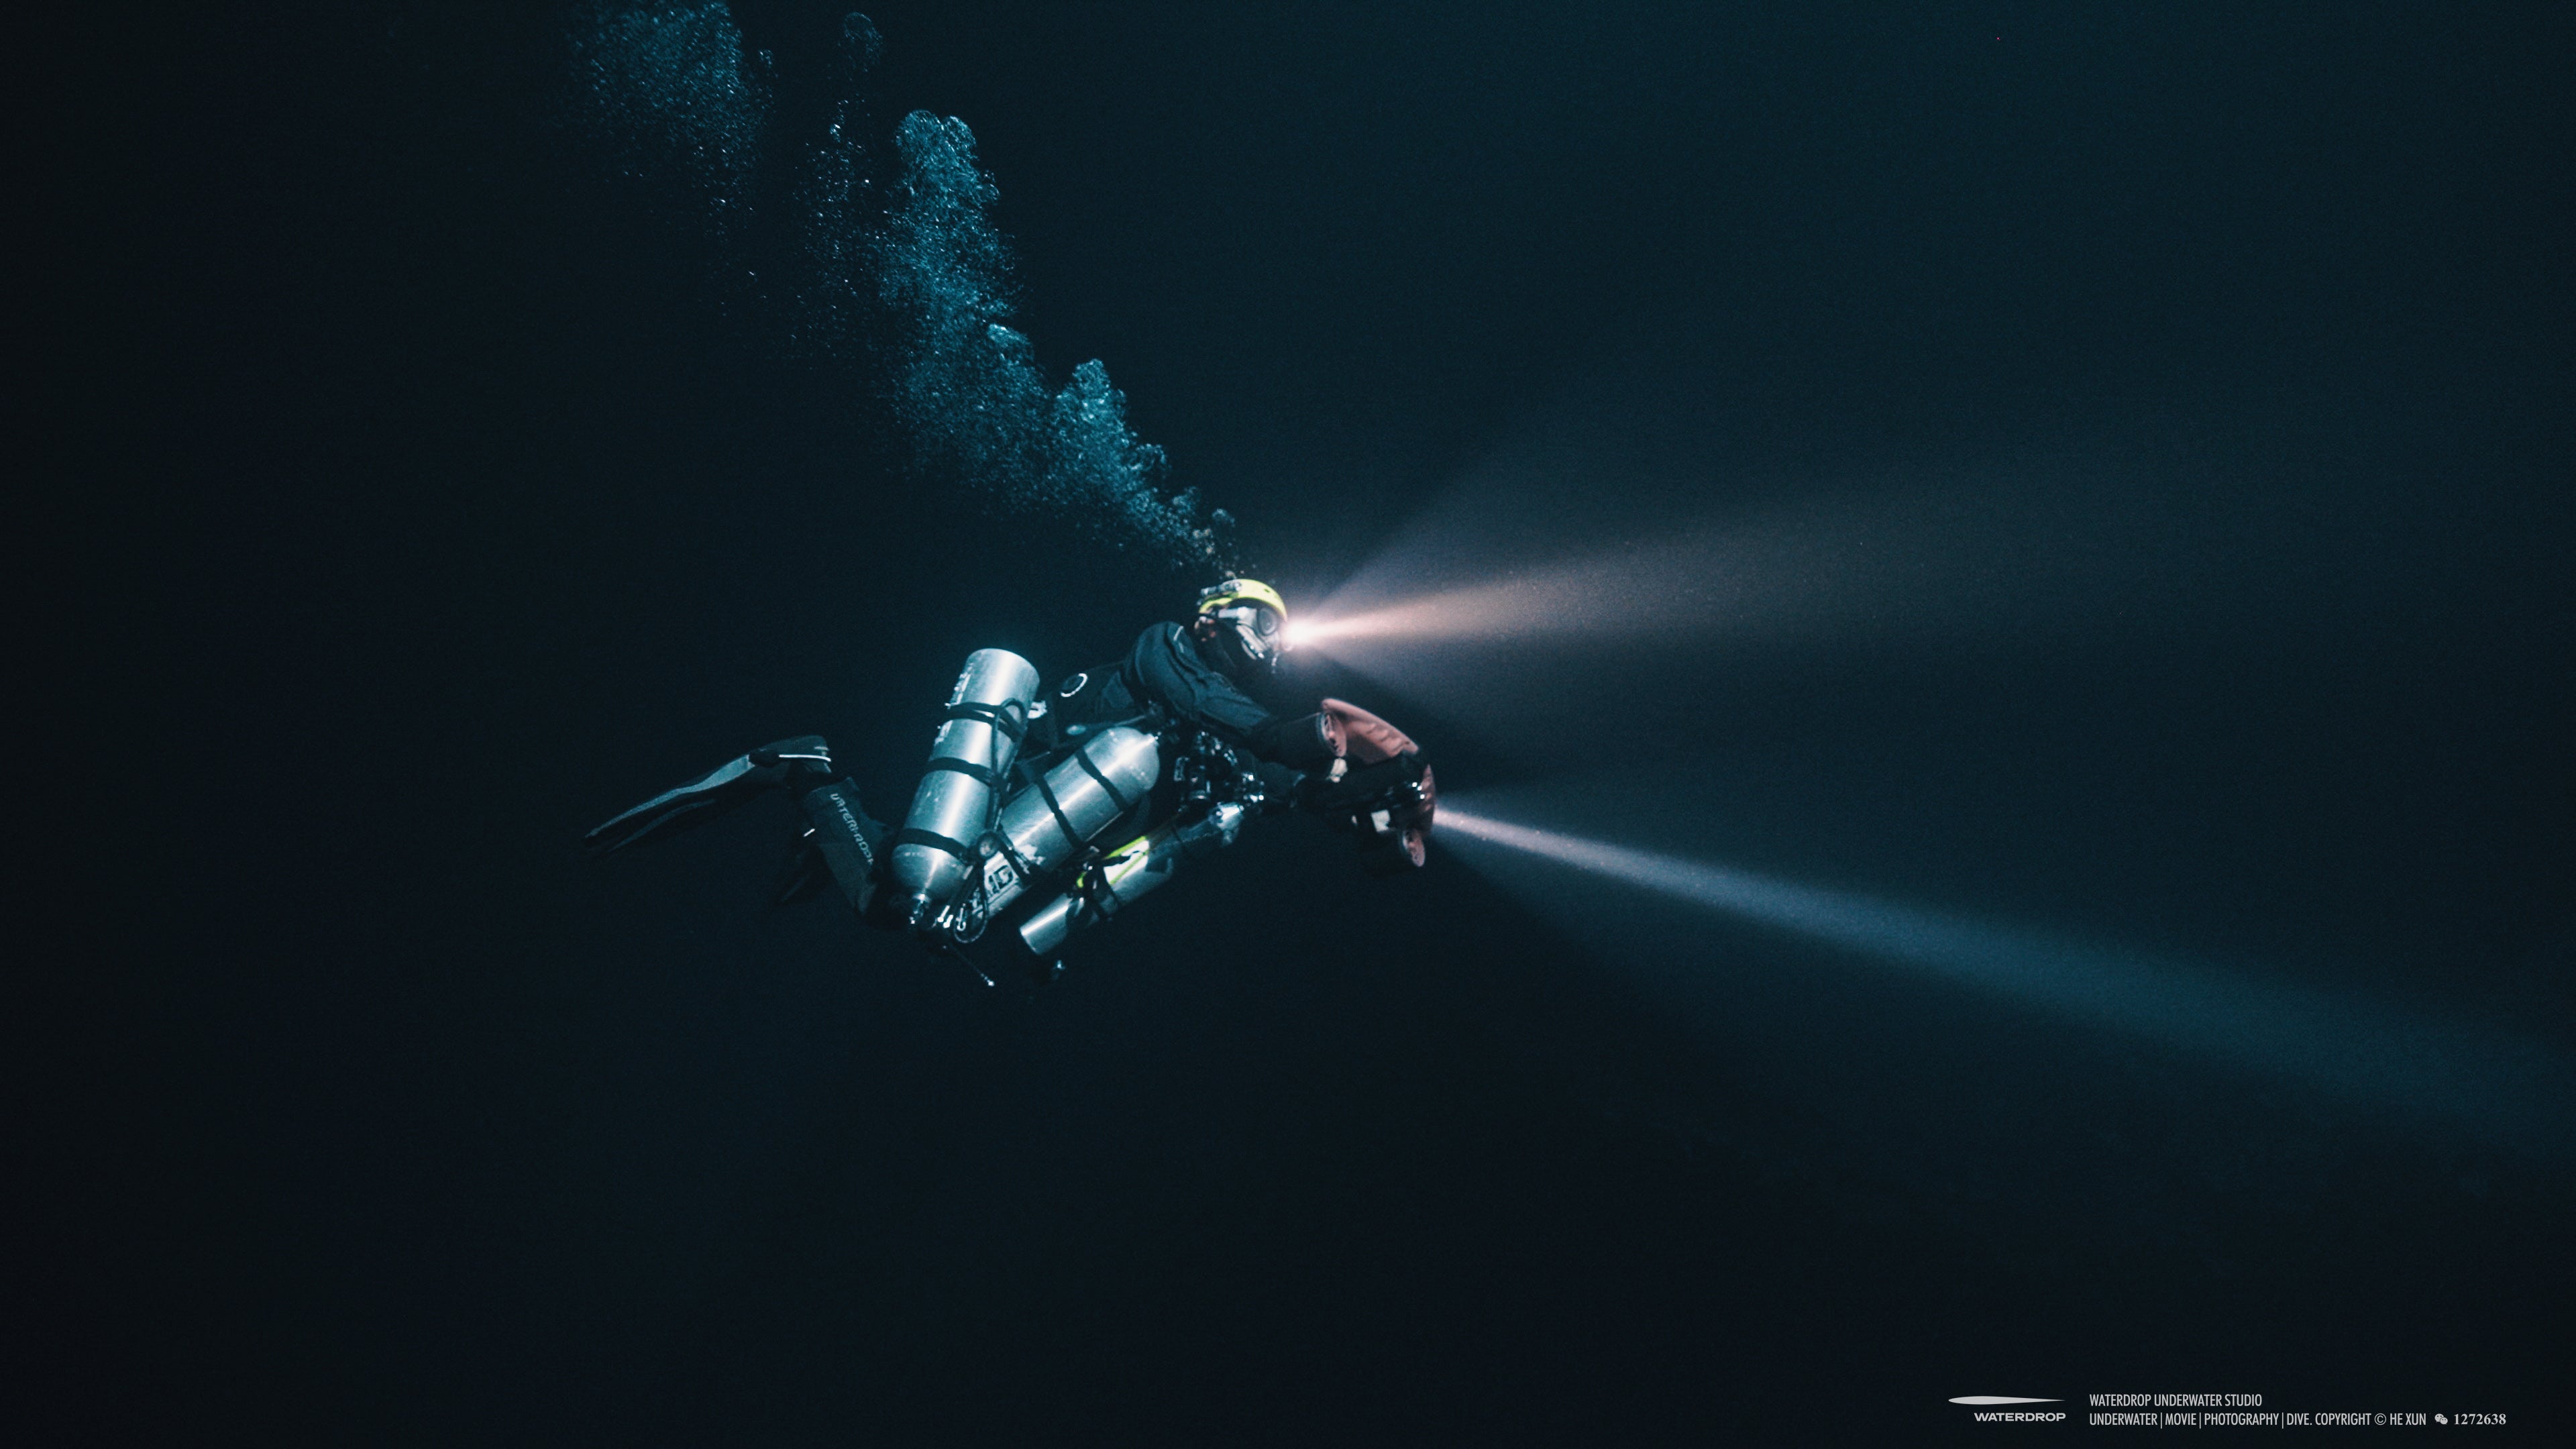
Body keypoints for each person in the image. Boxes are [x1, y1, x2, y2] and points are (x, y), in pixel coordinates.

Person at [583, 580, 1434, 972]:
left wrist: (1369, 806)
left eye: (1275, 639)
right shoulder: (1167, 651)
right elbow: (1266, 734)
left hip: (1042, 832)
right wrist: (1372, 752)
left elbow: (1282, 783)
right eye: (1256, 622)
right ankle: (805, 772)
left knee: (934, 919)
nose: (1265, 645)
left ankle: (830, 820)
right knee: (911, 901)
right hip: (1013, 791)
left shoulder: (1217, 722)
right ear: (1215, 613)